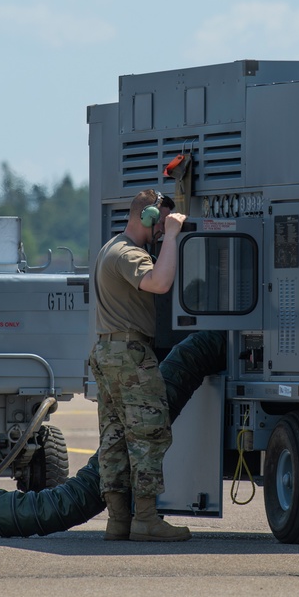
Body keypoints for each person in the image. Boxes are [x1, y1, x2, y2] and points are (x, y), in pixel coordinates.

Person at [89, 188, 191, 542]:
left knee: (115, 438)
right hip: (129, 354)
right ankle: (145, 519)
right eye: (160, 222)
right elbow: (159, 283)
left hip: (109, 351)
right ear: (146, 217)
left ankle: (118, 521)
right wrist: (173, 237)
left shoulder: (111, 248)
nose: (162, 229)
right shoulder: (128, 253)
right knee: (149, 434)